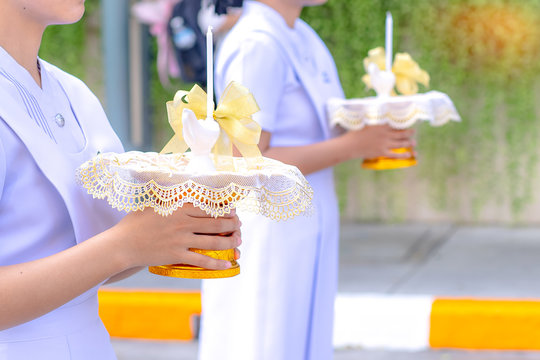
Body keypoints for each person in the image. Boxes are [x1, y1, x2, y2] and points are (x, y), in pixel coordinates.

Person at [0, 1, 241, 359]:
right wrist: (125, 244)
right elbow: (114, 247)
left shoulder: (73, 94)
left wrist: (171, 233)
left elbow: (94, 258)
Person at [199, 1, 416, 359]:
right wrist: (354, 145)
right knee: (265, 345)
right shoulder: (258, 44)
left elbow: (321, 125)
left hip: (305, 225)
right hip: (267, 233)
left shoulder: (300, 34)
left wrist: (383, 127)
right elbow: (241, 161)